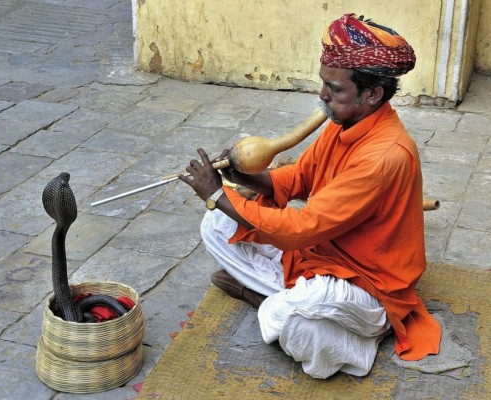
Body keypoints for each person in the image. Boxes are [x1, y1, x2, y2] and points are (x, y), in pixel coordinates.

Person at [178, 13, 441, 379]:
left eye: (334, 88)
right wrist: (245, 177)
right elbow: (300, 177)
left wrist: (216, 194)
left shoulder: (383, 156)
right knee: (216, 224)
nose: (322, 95)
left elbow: (303, 227)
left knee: (299, 326)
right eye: (324, 84)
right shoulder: (346, 123)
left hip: (369, 284)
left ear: (372, 94)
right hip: (322, 256)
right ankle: (287, 302)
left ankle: (263, 299)